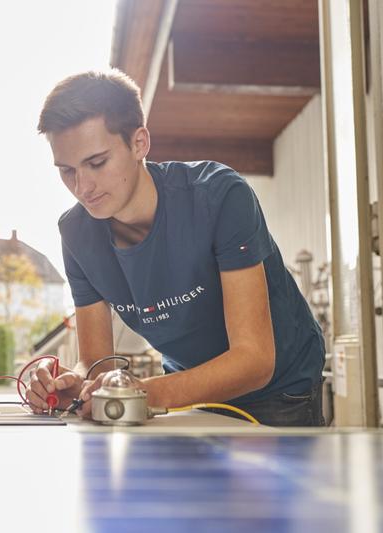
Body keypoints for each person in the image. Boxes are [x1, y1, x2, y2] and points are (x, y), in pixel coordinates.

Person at [26, 70, 325, 426]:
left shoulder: (220, 197)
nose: (82, 186)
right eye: (66, 170)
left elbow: (255, 360)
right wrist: (75, 384)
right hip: (187, 392)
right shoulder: (75, 232)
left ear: (139, 143)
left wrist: (148, 392)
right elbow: (96, 364)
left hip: (279, 391)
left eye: (96, 163)